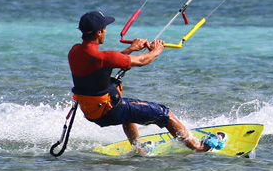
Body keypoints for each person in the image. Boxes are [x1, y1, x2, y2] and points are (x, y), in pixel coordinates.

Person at [68, 10, 220, 153]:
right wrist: (156, 51)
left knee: (128, 114)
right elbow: (140, 61)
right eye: (105, 28)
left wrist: (131, 49)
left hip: (92, 112)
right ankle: (199, 147)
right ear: (99, 32)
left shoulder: (74, 52)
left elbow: (103, 64)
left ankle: (139, 150)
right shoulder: (103, 57)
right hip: (110, 110)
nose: (106, 31)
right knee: (165, 114)